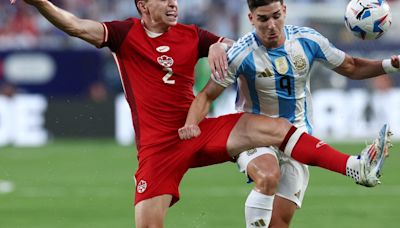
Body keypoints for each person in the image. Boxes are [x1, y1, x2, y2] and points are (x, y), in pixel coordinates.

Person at [12, 0, 391, 228]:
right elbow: (77, 26)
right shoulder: (124, 34)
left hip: (197, 130)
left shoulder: (192, 34)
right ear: (143, 6)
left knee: (276, 129)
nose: (174, 3)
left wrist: (217, 47)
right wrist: (40, 4)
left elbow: (236, 47)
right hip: (160, 149)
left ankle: (354, 167)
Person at [181, 0, 397, 227]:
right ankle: (355, 167)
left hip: (298, 137)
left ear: (284, 11)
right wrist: (191, 124)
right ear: (251, 19)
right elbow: (206, 96)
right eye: (263, 19)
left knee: (279, 222)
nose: (271, 25)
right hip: (254, 136)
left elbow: (351, 66)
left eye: (276, 16)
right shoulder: (241, 53)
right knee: (267, 175)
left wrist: (390, 65)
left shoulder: (308, 40)